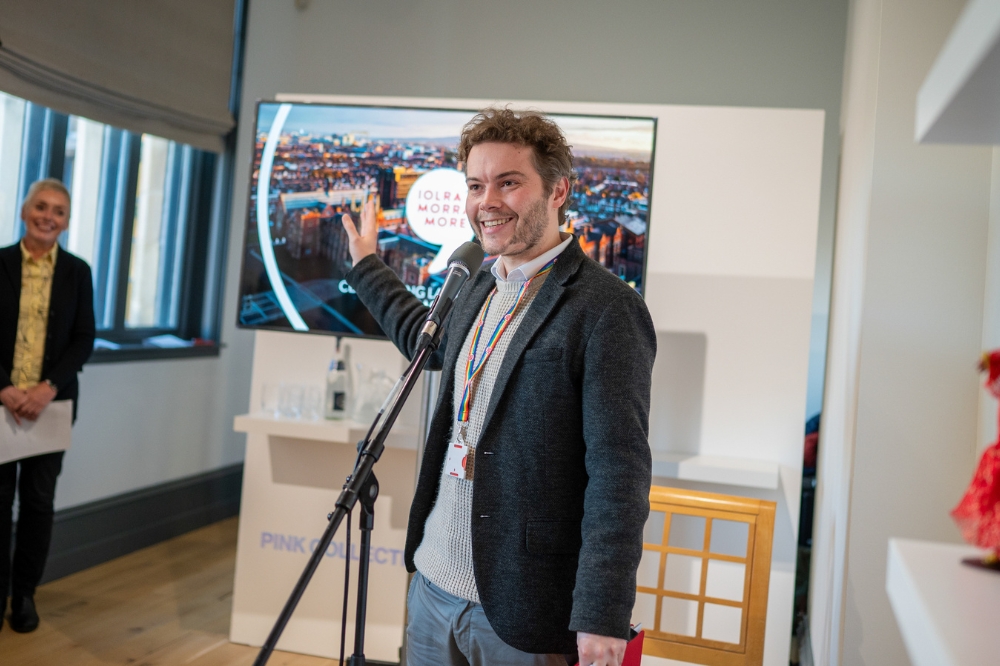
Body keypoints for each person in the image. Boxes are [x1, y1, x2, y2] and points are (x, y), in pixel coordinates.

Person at [341, 108, 655, 666]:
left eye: (508, 183)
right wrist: (367, 265)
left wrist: (601, 612)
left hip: (523, 608)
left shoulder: (606, 308)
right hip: (432, 586)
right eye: (475, 185)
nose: (487, 202)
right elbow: (426, 341)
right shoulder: (479, 283)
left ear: (558, 191)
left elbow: (619, 473)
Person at [0, 178, 95, 633]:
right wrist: (4, 388)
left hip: (50, 408)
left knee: (38, 503)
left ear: (66, 221)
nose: (48, 217)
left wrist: (48, 388)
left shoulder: (78, 272)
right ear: (24, 211)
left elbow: (84, 338)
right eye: (41, 207)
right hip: (0, 404)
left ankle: (24, 595)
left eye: (58, 211)